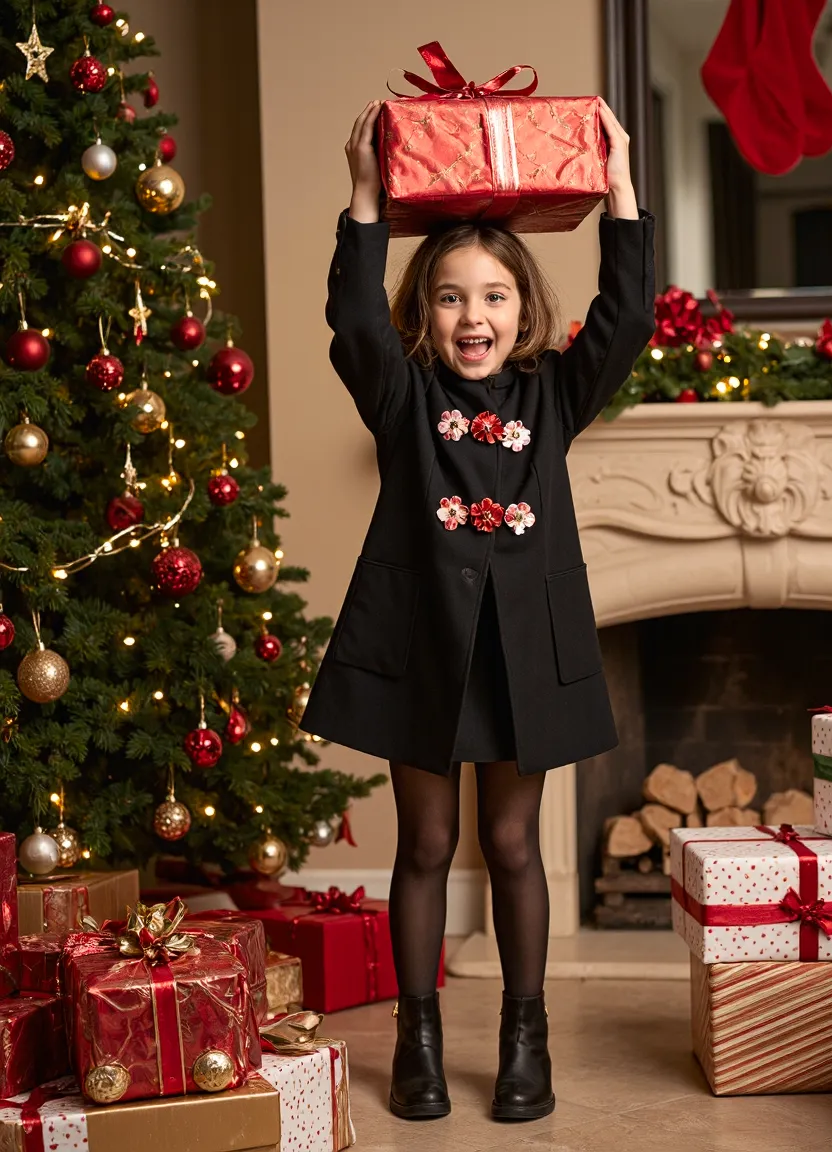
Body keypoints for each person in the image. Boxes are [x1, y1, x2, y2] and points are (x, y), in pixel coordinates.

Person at [301, 96, 655, 1122]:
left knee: (508, 847)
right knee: (421, 847)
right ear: (427, 311)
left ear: (520, 307)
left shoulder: (553, 395)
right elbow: (351, 318)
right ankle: (415, 1041)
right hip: (426, 651)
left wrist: (620, 189)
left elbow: (626, 318)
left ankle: (522, 1041)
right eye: (450, 298)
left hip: (523, 654)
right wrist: (364, 196)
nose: (472, 318)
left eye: (493, 297)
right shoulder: (401, 395)